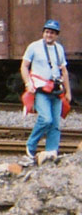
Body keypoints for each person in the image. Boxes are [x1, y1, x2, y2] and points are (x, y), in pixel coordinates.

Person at [20, 19, 71, 165]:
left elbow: (64, 71)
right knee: (45, 119)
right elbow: (24, 66)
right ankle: (31, 146)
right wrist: (28, 83)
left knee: (55, 123)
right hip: (41, 89)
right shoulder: (34, 47)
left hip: (56, 90)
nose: (50, 35)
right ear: (43, 33)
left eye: (53, 33)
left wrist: (68, 92)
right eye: (47, 32)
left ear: (56, 35)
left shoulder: (59, 49)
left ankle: (51, 151)